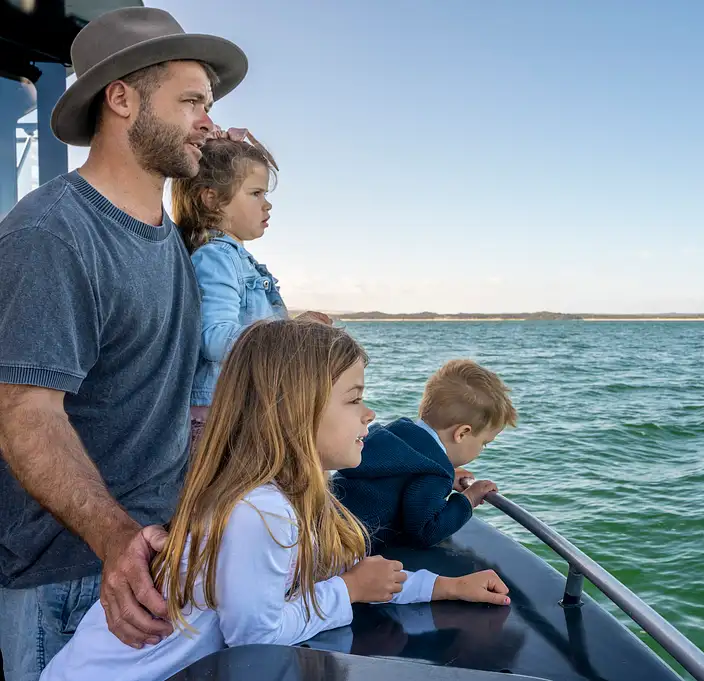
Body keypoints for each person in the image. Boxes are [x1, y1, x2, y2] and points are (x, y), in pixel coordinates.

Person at [41, 320, 511, 681]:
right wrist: (348, 590)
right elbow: (255, 637)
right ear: (294, 411)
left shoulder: (295, 497)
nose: (370, 414)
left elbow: (337, 578)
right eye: (353, 400)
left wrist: (443, 588)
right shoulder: (260, 510)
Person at [0, 7, 248, 679]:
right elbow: (26, 415)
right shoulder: (53, 234)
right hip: (78, 579)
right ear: (121, 98)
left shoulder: (170, 237)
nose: (209, 118)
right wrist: (116, 543)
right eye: (191, 100)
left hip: (160, 560)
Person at [170, 134, 331, 447]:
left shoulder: (235, 258)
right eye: (255, 193)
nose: (267, 203)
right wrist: (291, 334)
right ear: (211, 199)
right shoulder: (217, 257)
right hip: (221, 415)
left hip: (236, 410)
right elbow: (215, 339)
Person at [332, 359, 517, 551]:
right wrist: (468, 500)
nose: (481, 449)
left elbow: (399, 475)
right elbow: (426, 530)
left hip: (323, 520)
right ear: (462, 433)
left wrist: (450, 476)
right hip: (341, 547)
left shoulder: (394, 432)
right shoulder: (435, 471)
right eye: (484, 443)